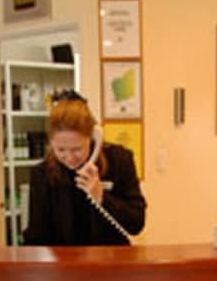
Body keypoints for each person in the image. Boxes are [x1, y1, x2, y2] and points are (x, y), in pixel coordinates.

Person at [22, 91, 146, 245]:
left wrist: (101, 197)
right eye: (60, 150)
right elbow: (36, 237)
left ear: (93, 137)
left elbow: (137, 223)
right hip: (64, 258)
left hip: (110, 255)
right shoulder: (42, 174)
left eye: (77, 149)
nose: (69, 157)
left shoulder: (119, 160)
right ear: (51, 143)